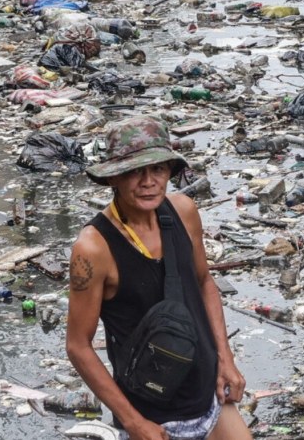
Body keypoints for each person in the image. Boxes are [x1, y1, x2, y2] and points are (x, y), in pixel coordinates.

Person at [67, 117, 252, 440]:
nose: (148, 181)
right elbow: (78, 345)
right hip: (153, 416)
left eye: (158, 170)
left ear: (169, 171)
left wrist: (225, 358)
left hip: (208, 395)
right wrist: (135, 423)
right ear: (114, 178)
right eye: (134, 171)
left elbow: (205, 282)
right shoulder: (94, 248)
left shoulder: (183, 211)